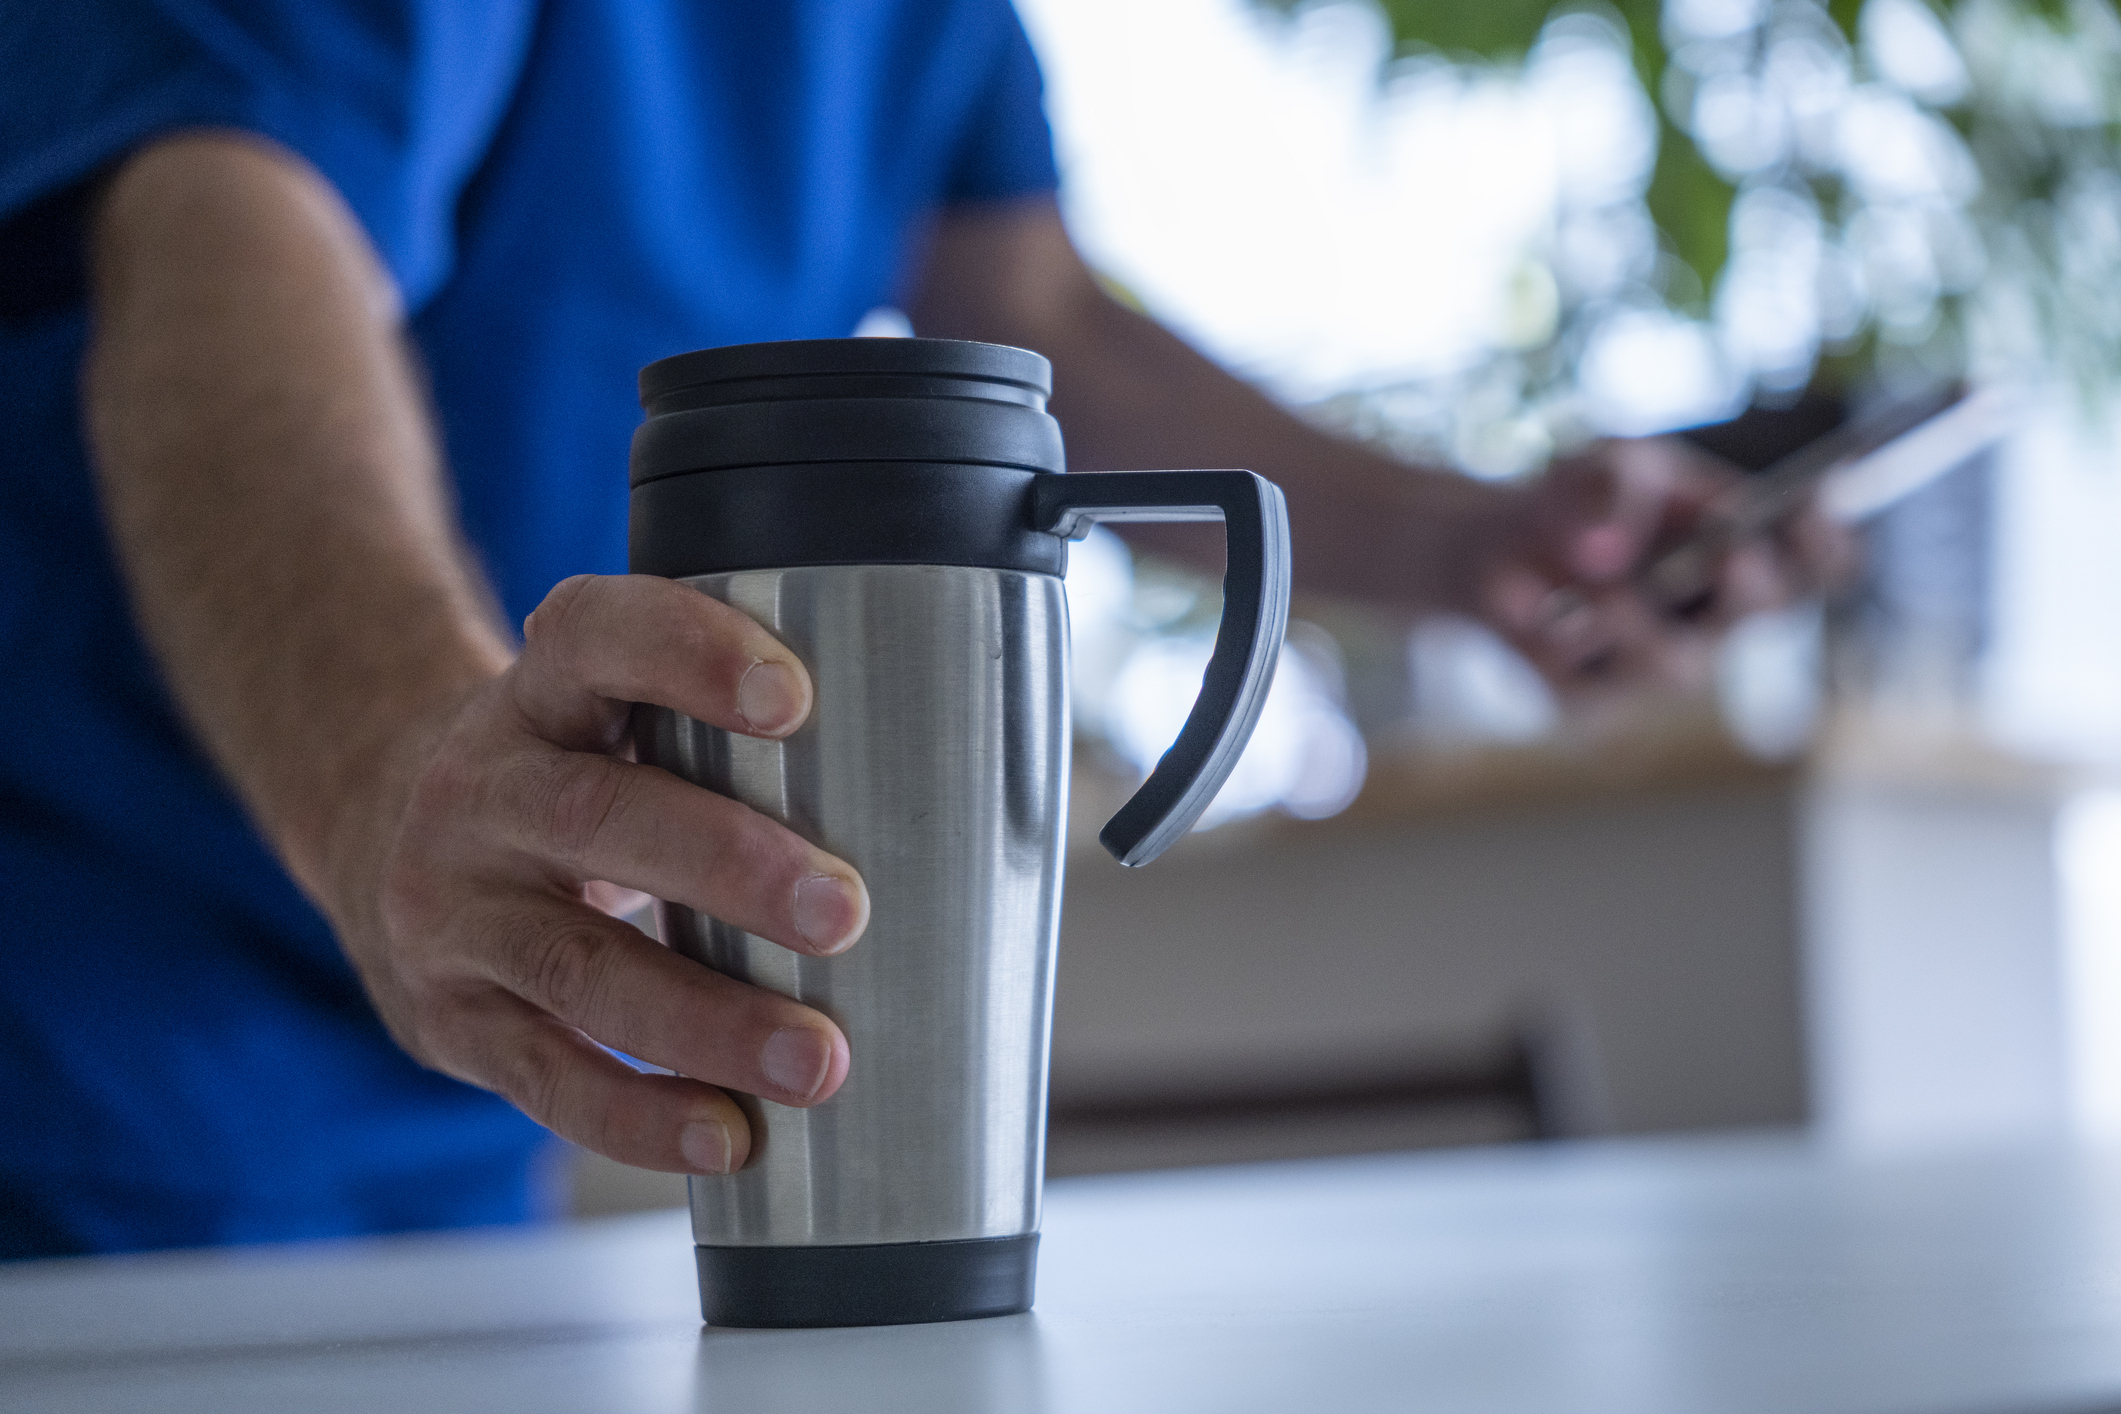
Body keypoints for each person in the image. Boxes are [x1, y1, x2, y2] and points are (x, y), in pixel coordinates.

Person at [0, 0, 1833, 1258]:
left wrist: (1473, 543)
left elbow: (1037, 329)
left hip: (459, 1071)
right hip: (92, 1033)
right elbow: (234, 223)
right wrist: (385, 779)